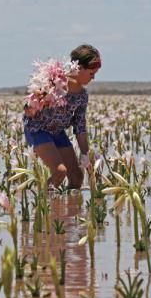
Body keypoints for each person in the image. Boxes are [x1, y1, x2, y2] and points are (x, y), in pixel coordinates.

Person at [23, 44, 102, 192]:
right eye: (91, 73)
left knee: (77, 177)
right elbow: (28, 109)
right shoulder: (53, 82)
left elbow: (80, 126)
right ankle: (43, 207)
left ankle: (66, 212)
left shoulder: (82, 96)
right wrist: (37, 101)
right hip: (38, 130)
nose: (94, 77)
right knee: (60, 172)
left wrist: (86, 156)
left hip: (57, 132)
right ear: (79, 68)